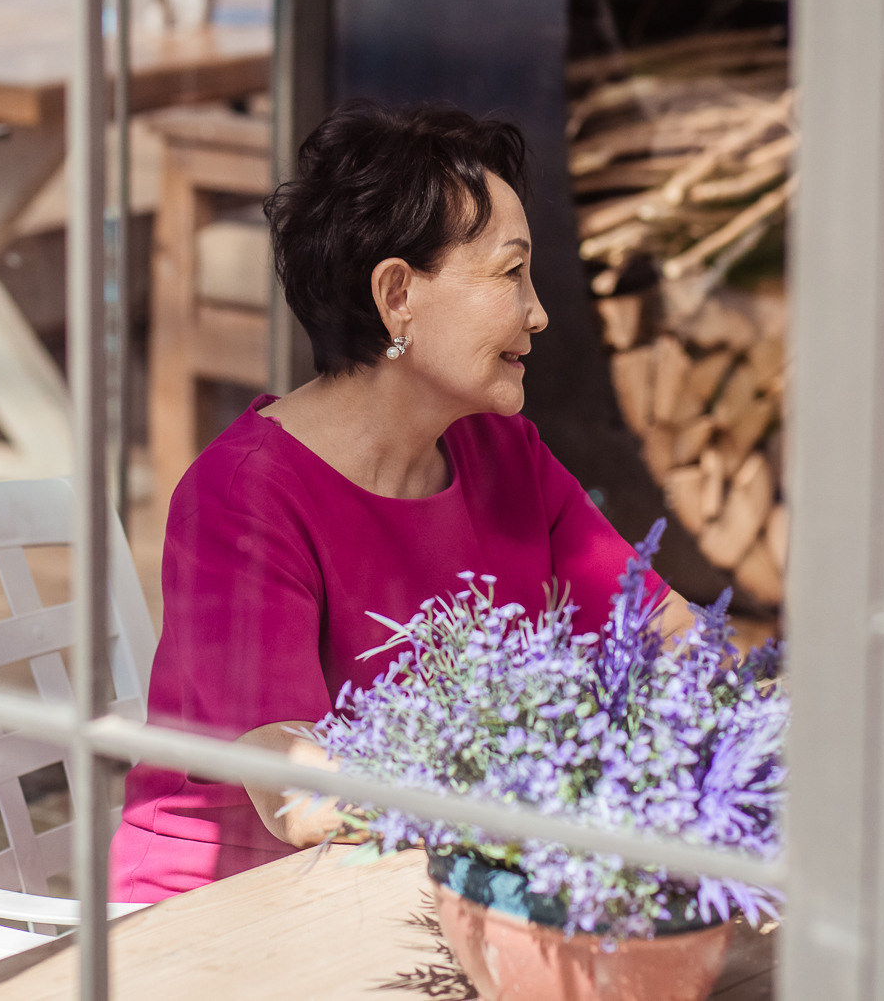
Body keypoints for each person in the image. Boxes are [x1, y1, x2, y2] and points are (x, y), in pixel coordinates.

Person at [110, 101, 694, 903]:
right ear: (397, 296)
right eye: (510, 273)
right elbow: (300, 795)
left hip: (426, 881)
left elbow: (671, 637)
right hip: (221, 911)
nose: (539, 312)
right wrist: (550, 783)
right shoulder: (241, 499)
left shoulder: (502, 452)